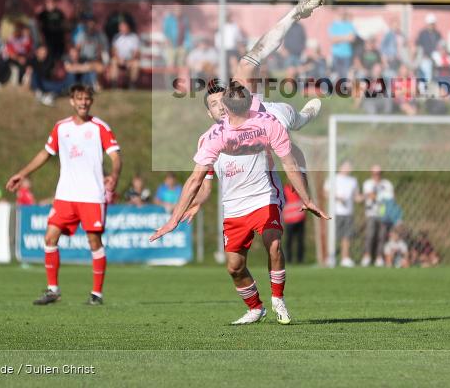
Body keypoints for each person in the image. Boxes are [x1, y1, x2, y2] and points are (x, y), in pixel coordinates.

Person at [149, 81, 329, 325]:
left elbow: (290, 160)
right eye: (213, 104)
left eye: (221, 101)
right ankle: (256, 308)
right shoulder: (209, 140)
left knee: (274, 244)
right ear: (209, 113)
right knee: (234, 267)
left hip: (264, 196)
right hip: (234, 207)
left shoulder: (263, 122)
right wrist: (189, 208)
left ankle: (278, 299)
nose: (219, 106)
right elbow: (201, 183)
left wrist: (306, 196)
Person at [6, 84, 122, 306]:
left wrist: (114, 175)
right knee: (50, 237)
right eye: (79, 98)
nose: (83, 102)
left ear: (91, 101)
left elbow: (116, 156)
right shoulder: (61, 127)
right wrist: (22, 174)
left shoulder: (100, 127)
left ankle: (96, 294)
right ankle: (53, 290)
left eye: (87, 99)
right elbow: (46, 153)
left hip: (91, 195)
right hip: (65, 194)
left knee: (94, 241)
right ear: (72, 101)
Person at [362, 164, 395, 266]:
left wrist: (383, 199)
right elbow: (370, 195)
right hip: (371, 213)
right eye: (374, 173)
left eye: (378, 173)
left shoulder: (387, 184)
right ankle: (367, 256)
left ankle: (379, 257)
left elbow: (391, 198)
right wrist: (382, 197)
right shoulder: (368, 183)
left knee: (382, 236)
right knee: (370, 235)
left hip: (383, 213)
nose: (377, 175)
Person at [329, 161, 358, 268]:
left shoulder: (353, 180)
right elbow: (326, 192)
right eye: (346, 166)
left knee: (346, 236)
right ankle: (330, 256)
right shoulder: (334, 178)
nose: (348, 168)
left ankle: (344, 258)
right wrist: (337, 197)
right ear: (341, 167)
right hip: (335, 212)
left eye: (350, 166)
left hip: (348, 212)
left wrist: (363, 198)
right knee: (333, 235)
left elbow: (356, 196)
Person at [108, 21, 140, 89]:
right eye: (121, 27)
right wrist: (119, 59)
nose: (123, 29)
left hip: (130, 60)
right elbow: (113, 50)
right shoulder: (116, 37)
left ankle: (132, 84)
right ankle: (114, 84)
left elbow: (136, 52)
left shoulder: (134, 37)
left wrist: (130, 60)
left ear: (128, 28)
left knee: (136, 64)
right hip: (119, 59)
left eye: (124, 27)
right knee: (113, 61)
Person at [282, 183, 306, 264]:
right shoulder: (284, 190)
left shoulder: (299, 188)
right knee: (289, 240)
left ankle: (300, 259)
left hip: (300, 218)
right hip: (289, 220)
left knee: (300, 240)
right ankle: (289, 259)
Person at [328, 9, 356, 80]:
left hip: (347, 54)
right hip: (336, 54)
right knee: (336, 75)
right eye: (340, 14)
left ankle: (344, 86)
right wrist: (346, 37)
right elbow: (333, 40)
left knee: (345, 75)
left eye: (344, 14)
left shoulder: (349, 25)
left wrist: (339, 38)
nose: (342, 15)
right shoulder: (334, 25)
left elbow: (352, 38)